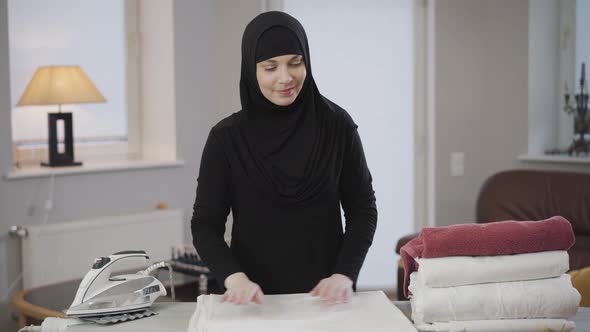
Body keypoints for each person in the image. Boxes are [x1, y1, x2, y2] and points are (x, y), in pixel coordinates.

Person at [191, 11, 377, 306]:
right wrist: (233, 277)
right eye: (270, 67)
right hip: (253, 301)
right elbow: (204, 224)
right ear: (252, 71)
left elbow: (363, 209)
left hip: (326, 297)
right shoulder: (226, 138)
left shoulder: (338, 126)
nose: (285, 77)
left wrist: (344, 274)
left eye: (295, 63)